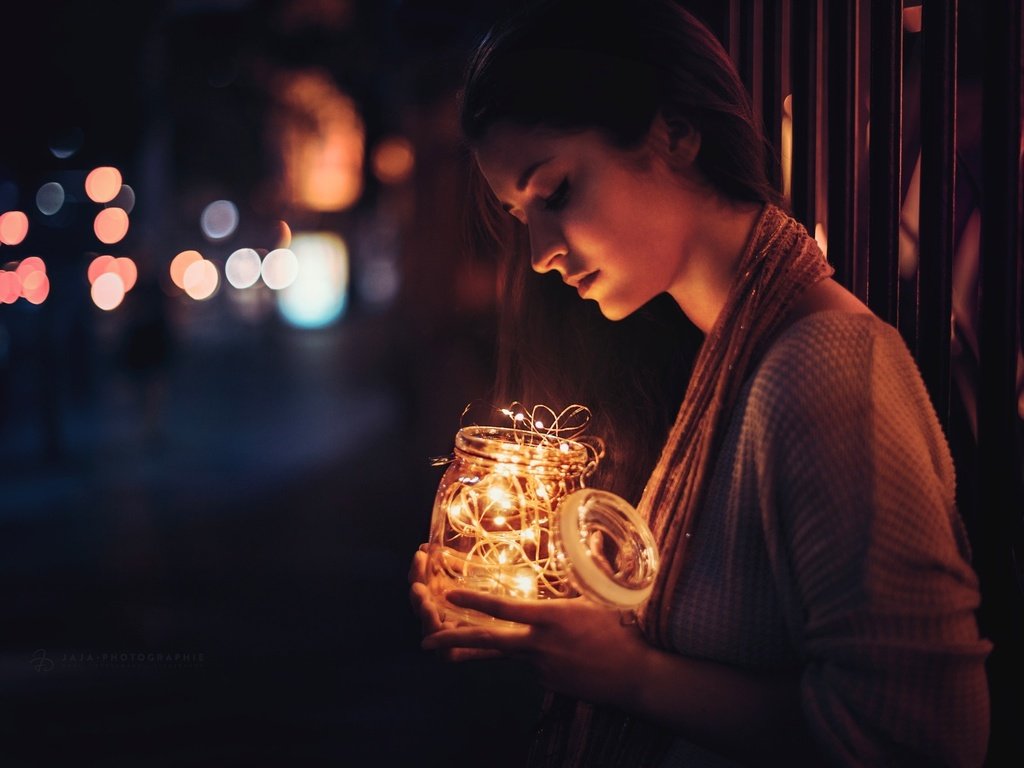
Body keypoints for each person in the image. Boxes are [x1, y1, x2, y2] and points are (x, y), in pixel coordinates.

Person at [408, 1, 992, 765]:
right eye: (522, 219)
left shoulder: (826, 370)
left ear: (676, 132)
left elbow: (926, 736)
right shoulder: (711, 361)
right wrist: (539, 609)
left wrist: (629, 678)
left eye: (555, 192)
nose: (543, 252)